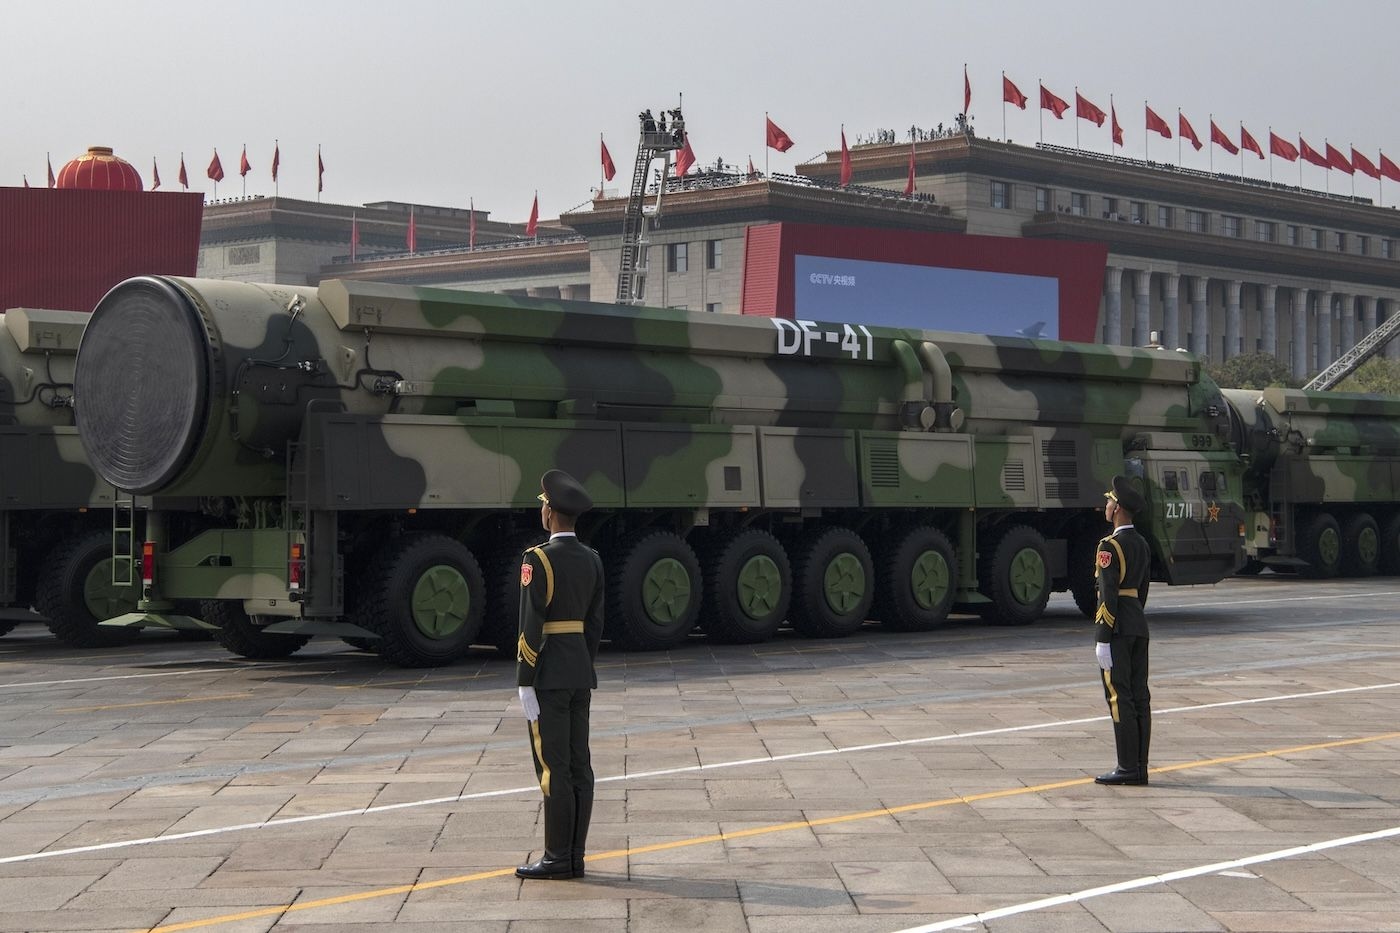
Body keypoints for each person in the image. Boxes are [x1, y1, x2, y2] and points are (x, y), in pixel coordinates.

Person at [515, 470, 606, 880]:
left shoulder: (537, 560)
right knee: (579, 766)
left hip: (548, 674)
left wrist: (524, 679)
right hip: (579, 672)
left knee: (553, 768)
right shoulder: (593, 560)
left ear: (550, 513)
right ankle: (575, 857)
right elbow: (595, 625)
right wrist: (582, 663)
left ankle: (556, 858)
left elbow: (531, 623)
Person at [1093, 475, 1152, 786]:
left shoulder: (1109, 546)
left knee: (1119, 697)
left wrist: (1103, 637)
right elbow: (1140, 591)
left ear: (1117, 508)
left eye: (1108, 501)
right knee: (1140, 696)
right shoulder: (1142, 544)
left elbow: (1108, 594)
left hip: (1117, 629)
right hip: (1138, 625)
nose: (1105, 505)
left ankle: (1126, 767)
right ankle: (1140, 767)